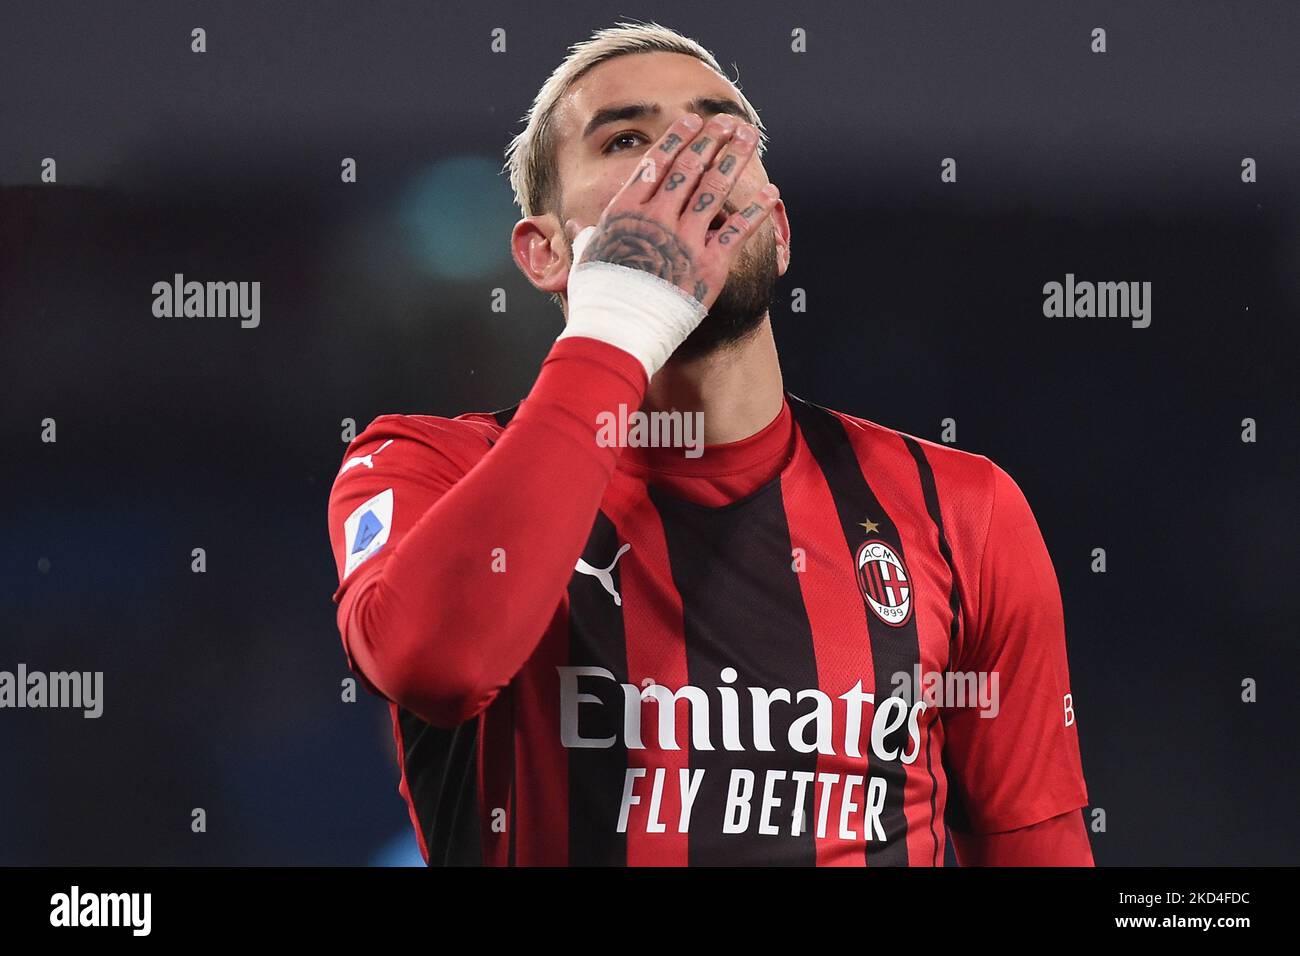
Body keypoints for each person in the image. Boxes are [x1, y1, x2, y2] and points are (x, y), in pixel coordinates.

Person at [327, 20, 1092, 866]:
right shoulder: (426, 467)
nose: (684, 164)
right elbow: (439, 664)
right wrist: (617, 325)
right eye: (627, 139)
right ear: (545, 253)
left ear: (780, 222)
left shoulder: (963, 509)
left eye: (719, 133)